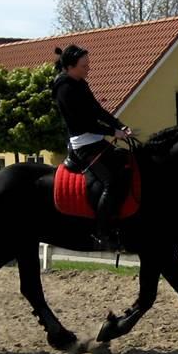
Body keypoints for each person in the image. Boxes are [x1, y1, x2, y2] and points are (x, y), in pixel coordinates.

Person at [51, 45, 132, 249]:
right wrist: (113, 133)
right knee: (111, 183)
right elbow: (82, 123)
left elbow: (97, 110)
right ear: (70, 67)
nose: (89, 68)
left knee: (126, 163)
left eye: (88, 64)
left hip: (95, 140)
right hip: (83, 146)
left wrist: (119, 124)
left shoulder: (80, 83)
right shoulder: (64, 89)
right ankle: (102, 233)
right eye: (84, 65)